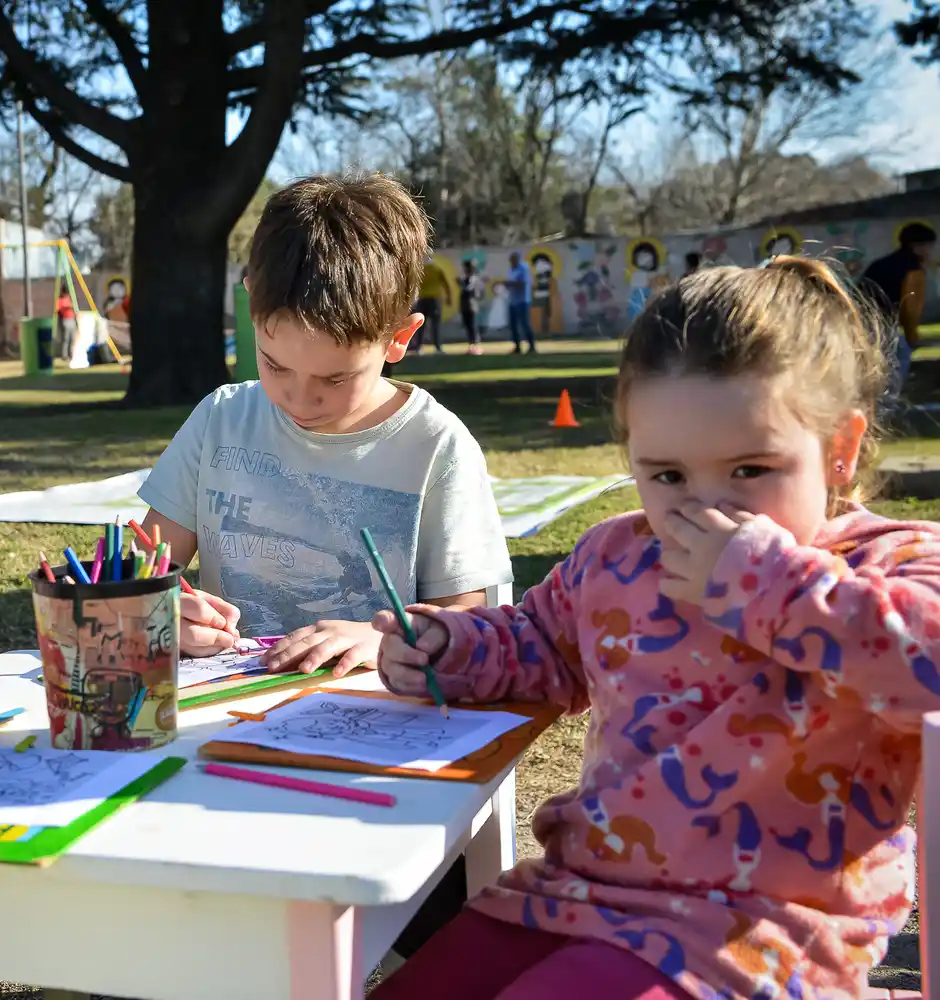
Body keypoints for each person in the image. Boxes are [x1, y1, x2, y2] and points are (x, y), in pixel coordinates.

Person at [371, 257, 934, 1000]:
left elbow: (924, 661)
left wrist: (766, 583)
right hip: (578, 894)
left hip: (763, 937)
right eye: (666, 476)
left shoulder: (885, 561)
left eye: (749, 471)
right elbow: (541, 645)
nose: (705, 508)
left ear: (839, 449)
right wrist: (453, 646)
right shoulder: (618, 554)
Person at [140, 172, 513, 677]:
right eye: (274, 365)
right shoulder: (220, 420)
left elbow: (473, 624)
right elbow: (138, 573)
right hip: (225, 720)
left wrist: (386, 639)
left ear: (399, 339)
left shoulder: (436, 447)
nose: (300, 397)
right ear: (250, 305)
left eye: (335, 378)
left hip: (376, 724)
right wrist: (157, 613)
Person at [859, 221, 936, 395]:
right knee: (900, 355)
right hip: (881, 322)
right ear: (916, 246)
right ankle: (887, 401)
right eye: (928, 247)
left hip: (861, 318)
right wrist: (911, 336)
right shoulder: (913, 270)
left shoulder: (882, 263)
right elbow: (910, 309)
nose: (930, 252)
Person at [506, 250, 536, 354]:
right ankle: (517, 346)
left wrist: (510, 284)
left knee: (524, 324)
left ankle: (532, 346)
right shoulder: (511, 270)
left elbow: (522, 283)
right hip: (513, 300)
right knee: (513, 325)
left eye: (513, 260)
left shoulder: (523, 268)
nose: (511, 262)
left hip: (522, 300)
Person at [459, 259, 483, 356]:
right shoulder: (465, 279)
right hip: (465, 306)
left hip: (471, 306)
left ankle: (476, 347)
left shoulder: (473, 279)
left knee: (472, 327)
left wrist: (461, 284)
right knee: (468, 327)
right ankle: (471, 346)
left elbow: (470, 290)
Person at [56, 287, 78, 366]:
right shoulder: (60, 300)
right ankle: (64, 355)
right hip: (65, 320)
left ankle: (72, 354)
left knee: (72, 339)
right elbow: (59, 309)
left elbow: (74, 307)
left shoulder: (69, 299)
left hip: (72, 320)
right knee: (66, 339)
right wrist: (67, 307)